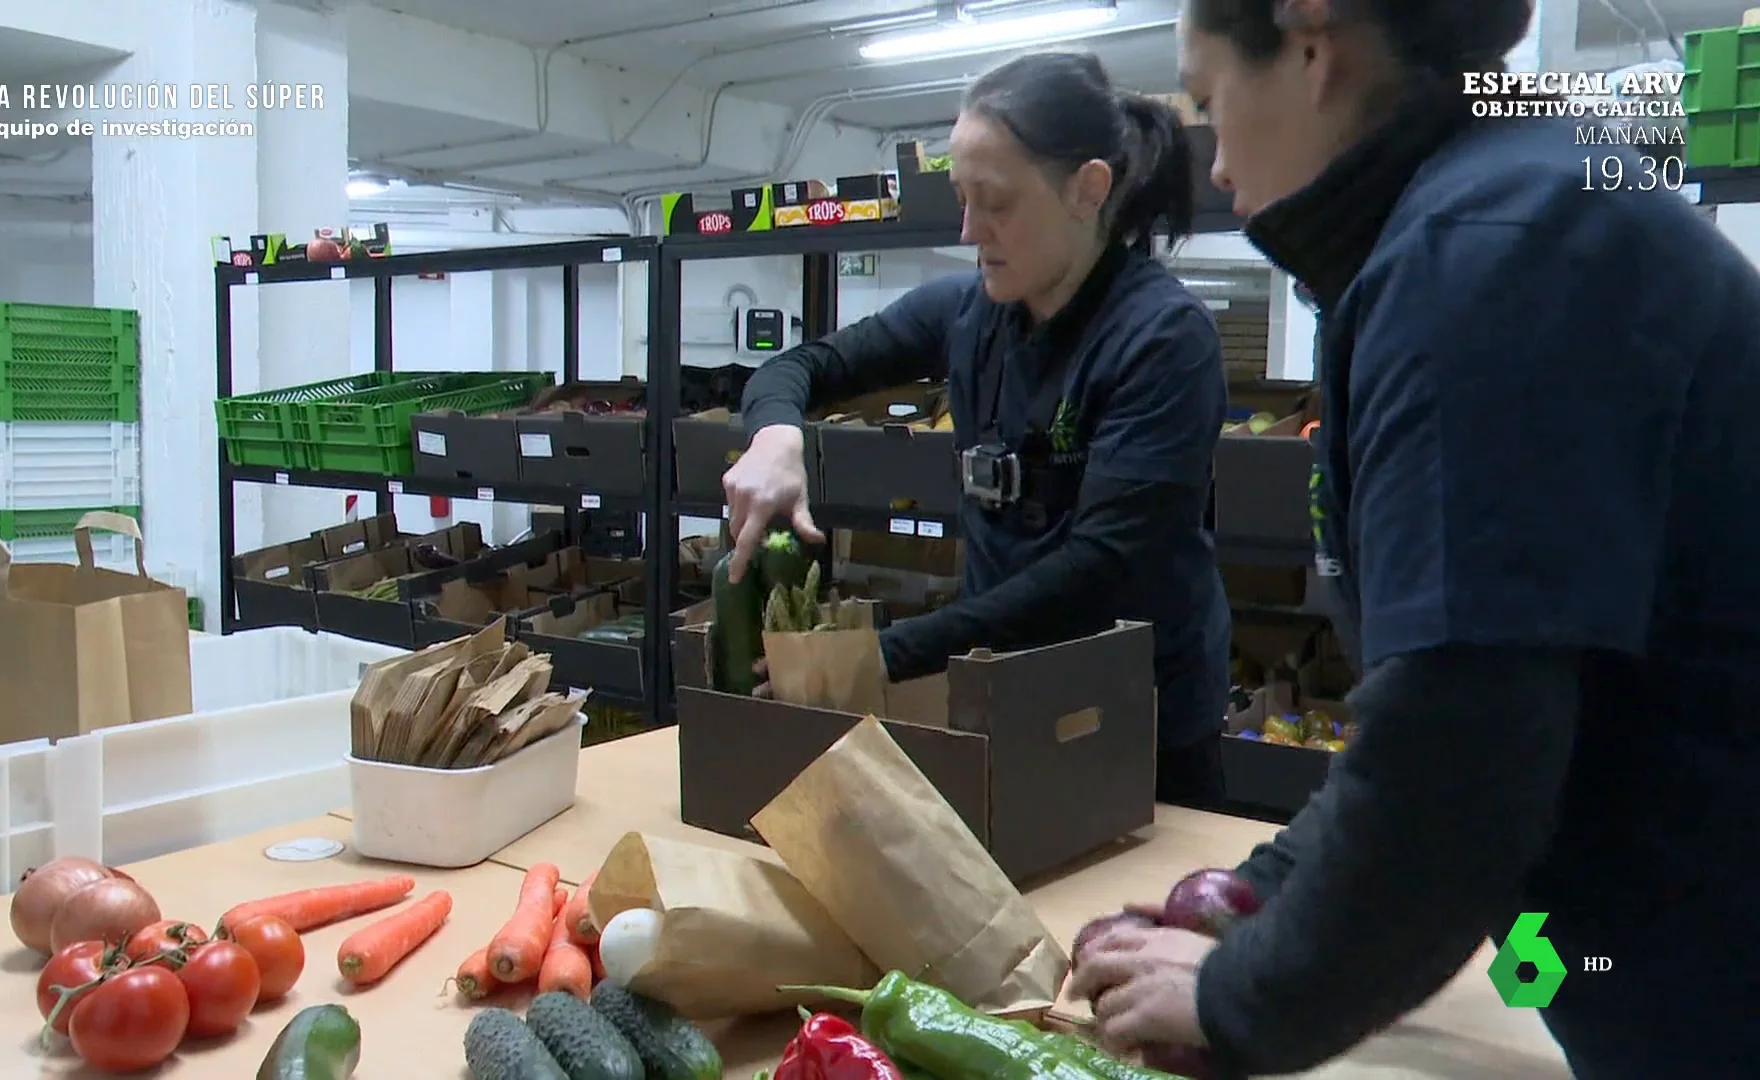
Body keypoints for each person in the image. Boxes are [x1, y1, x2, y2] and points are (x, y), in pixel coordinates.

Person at [1067, 1, 1760, 1076]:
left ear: (1310, 41)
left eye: (1211, 103)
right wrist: (1275, 889)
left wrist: (1244, 995)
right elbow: (1466, 683)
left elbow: (1463, 739)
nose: (1213, 167)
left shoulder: (1477, 256)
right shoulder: (1506, 206)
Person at [723, 51, 1234, 807]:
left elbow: (1101, 568)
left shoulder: (1161, 339)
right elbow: (798, 368)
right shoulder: (968, 311)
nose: (969, 230)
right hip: (1001, 689)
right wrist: (774, 438)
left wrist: (884, 654)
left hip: (1137, 716)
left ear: (1087, 190)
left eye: (994, 202)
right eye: (963, 198)